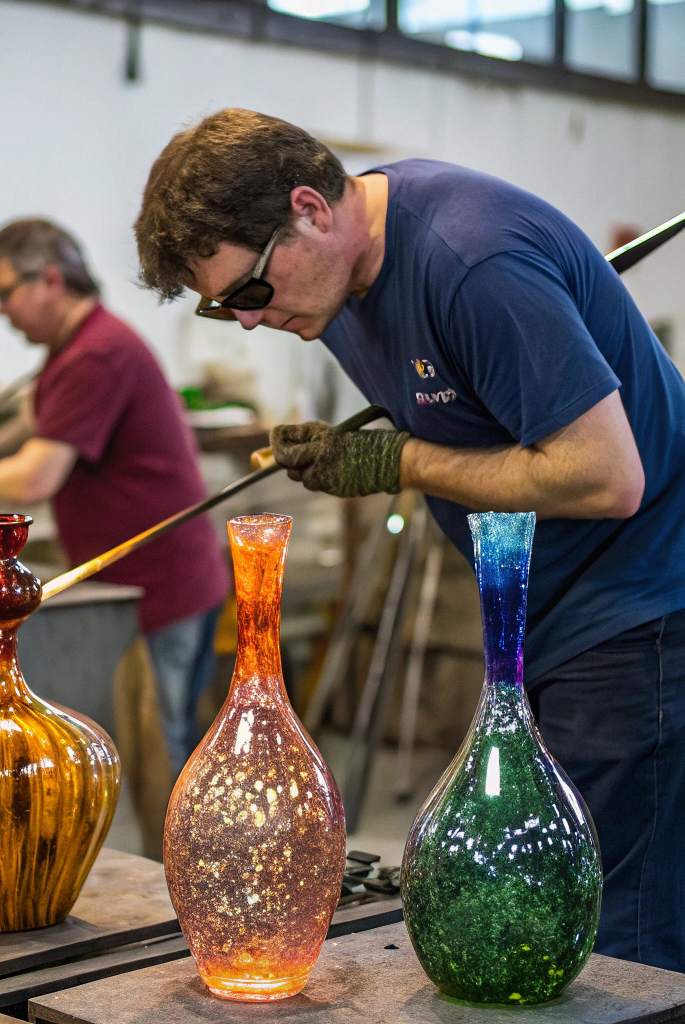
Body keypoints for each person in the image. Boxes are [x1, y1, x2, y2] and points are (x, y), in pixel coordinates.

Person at [134, 108, 685, 970]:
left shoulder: (473, 263)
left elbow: (606, 478)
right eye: (222, 309)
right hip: (547, 616)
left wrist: (401, 461)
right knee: (552, 903)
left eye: (249, 292)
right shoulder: (335, 282)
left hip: (642, 608)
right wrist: (371, 446)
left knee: (620, 936)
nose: (246, 321)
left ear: (311, 209)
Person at [0, 218, 230, 773]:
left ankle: (172, 862)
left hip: (157, 590)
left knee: (159, 753)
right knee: (148, 747)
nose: (0, 310)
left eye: (6, 293)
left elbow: (36, 478)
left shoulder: (95, 355)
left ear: (52, 281)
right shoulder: (76, 348)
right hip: (147, 586)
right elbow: (38, 420)